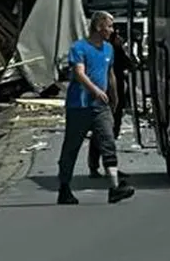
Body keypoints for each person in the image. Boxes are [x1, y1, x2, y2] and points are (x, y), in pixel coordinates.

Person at [56, 11, 135, 206]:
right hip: (79, 106)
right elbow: (79, 73)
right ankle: (64, 188)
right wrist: (96, 91)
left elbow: (110, 75)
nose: (112, 30)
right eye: (109, 26)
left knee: (108, 142)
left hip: (101, 107)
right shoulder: (79, 48)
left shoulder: (108, 49)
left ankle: (114, 187)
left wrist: (115, 96)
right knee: (71, 147)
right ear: (99, 27)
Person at [89, 21, 135, 179]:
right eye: (109, 28)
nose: (112, 31)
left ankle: (108, 167)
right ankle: (97, 167)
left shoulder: (112, 47)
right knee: (103, 133)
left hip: (115, 95)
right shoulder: (102, 48)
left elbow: (127, 64)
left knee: (110, 133)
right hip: (104, 95)